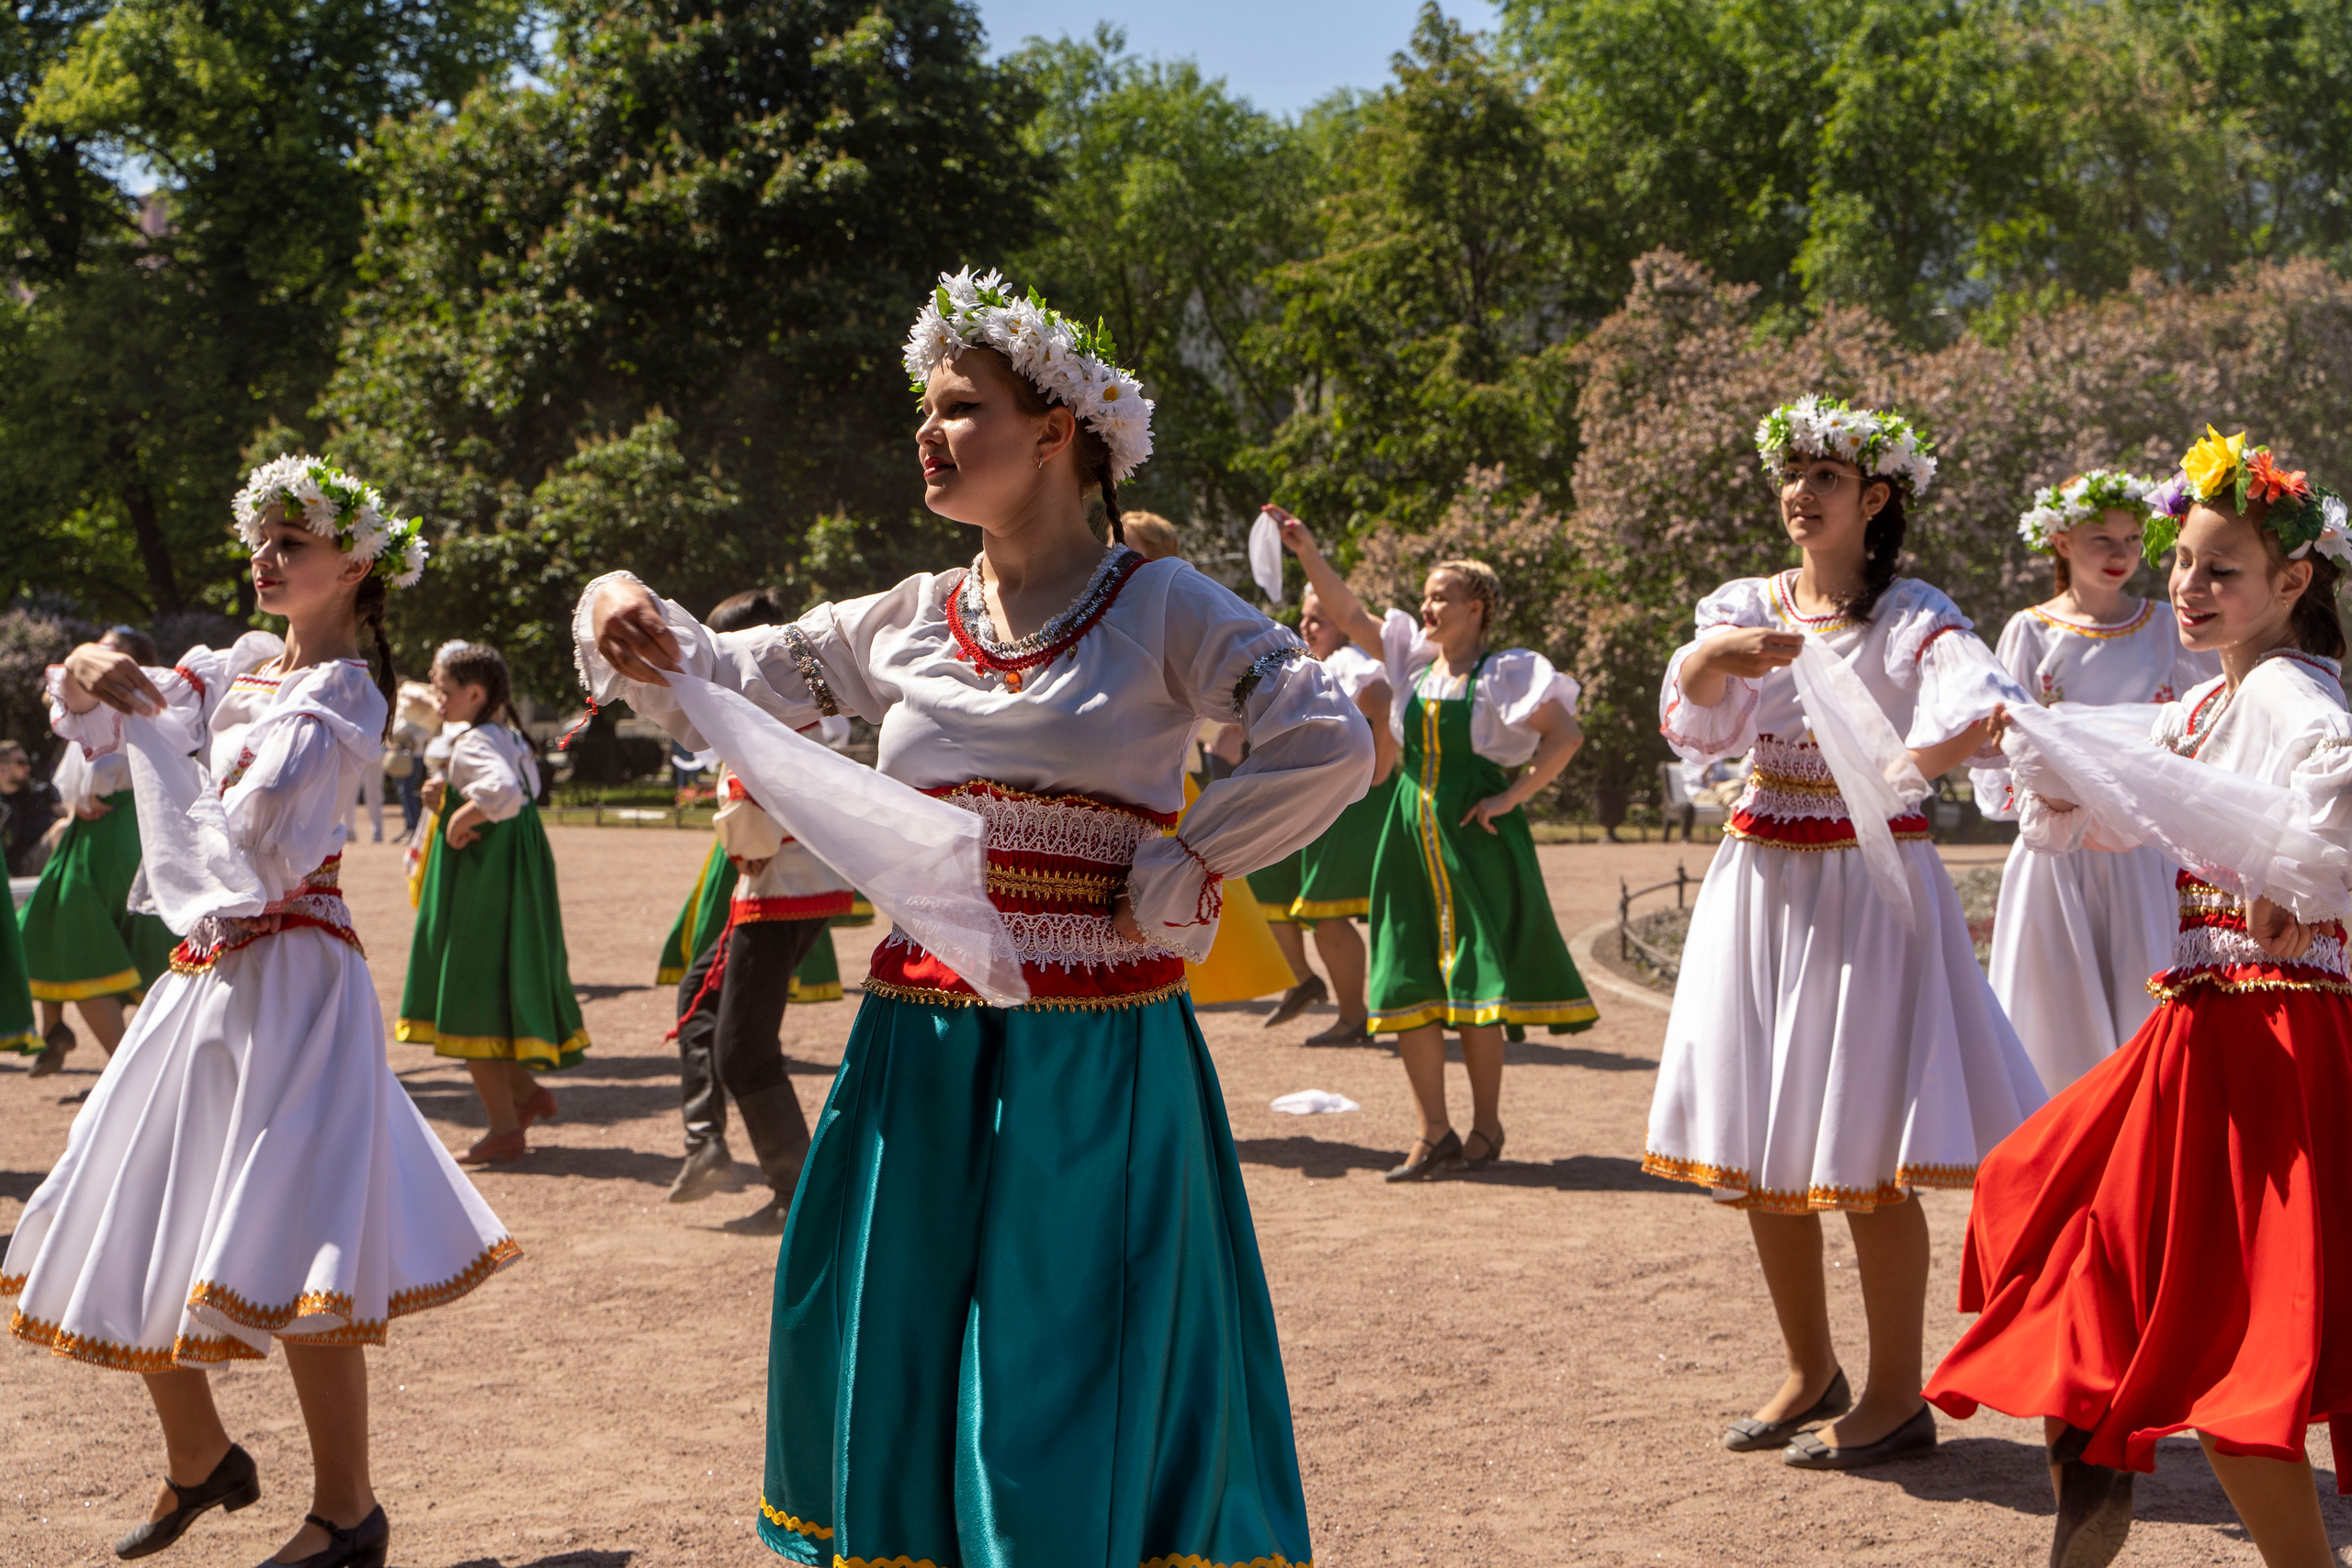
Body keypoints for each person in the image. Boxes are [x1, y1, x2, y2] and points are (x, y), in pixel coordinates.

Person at [577, 266, 1368, 1566]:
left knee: (1059, 1355)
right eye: (926, 412)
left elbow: (1328, 734)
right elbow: (709, 675)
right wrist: (619, 597)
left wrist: (1193, 859)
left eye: (961, 408)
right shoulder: (905, 618)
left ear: (1058, 429)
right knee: (906, 1319)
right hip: (918, 1042)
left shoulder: (1162, 605)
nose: (929, 435)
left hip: (1092, 1049)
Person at [5, 456, 513, 1568]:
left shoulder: (343, 694)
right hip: (205, 975)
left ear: (357, 563)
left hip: (291, 979)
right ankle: (201, 1460)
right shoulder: (229, 670)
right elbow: (93, 733)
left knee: (292, 1238)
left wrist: (146, 723)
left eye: (293, 542)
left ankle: (346, 1513)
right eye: (262, 540)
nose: (266, 559)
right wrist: (95, 670)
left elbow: (241, 839)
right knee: (119, 1193)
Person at [1926, 432, 2352, 1568]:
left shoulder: (2287, 691)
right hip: (2201, 1027)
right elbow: (2109, 797)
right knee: (2053, 1203)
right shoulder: (2198, 710)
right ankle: (2094, 1451)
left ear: (2291, 584)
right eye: (2182, 565)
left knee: (2247, 1346)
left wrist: (2302, 888)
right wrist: (2019, 729)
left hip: (2272, 1038)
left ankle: (2130, 1467)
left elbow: (2337, 776)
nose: (2188, 587)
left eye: (2221, 571)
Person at [1642, 395, 2045, 1471]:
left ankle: (1893, 1396)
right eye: (1793, 476)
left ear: (1872, 499)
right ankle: (1806, 1367)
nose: (1799, 493)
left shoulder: (1914, 614)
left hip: (1871, 892)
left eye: (1825, 478)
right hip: (1762, 879)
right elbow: (1693, 717)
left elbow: (1978, 708)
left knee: (1867, 1152)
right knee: (1761, 1138)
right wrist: (1716, 652)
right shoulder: (1742, 604)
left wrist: (1903, 766)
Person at [1273, 510, 1597, 1178]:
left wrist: (1511, 796)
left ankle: (1485, 1128)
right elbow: (1350, 609)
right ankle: (1433, 1132)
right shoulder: (1413, 662)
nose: (1426, 605)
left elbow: (1566, 736)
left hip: (1471, 839)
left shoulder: (1507, 673)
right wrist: (1306, 549)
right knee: (1407, 977)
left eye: (1442, 595)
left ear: (1477, 607)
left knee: (1473, 981)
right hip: (1408, 832)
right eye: (1426, 594)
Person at [1975, 472, 2220, 1093]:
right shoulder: (2029, 631)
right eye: (2101, 539)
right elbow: (2002, 750)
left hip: (2146, 853)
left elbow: (2207, 729)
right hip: (2059, 855)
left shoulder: (2171, 626)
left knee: (2152, 1013)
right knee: (2053, 1022)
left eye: (2134, 539)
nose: (2120, 555)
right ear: (2060, 541)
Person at [663, 585, 860, 1233]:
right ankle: (722, 1151)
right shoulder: (797, 707)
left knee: (742, 1047)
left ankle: (795, 1192)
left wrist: (742, 830)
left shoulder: (767, 714)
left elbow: (755, 809)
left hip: (778, 886)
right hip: (792, 883)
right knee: (709, 1003)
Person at [397, 639, 588, 1165]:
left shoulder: (475, 742)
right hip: (508, 874)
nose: (437, 698)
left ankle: (506, 1126)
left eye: (444, 689)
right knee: (490, 985)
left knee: (471, 994)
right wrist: (450, 799)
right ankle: (524, 1096)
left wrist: (458, 818)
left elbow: (501, 793)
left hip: (484, 880)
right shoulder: (501, 735)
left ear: (473, 693)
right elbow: (516, 791)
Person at [20, 626, 175, 1077]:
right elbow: (60, 716)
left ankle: (129, 1074)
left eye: (111, 652)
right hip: (89, 832)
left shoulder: (146, 705)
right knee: (50, 923)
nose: (98, 658)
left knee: (83, 939)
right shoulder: (90, 704)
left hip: (119, 829)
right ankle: (60, 1030)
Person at [1264, 565, 1398, 1044]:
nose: (1308, 626)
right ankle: (1314, 988)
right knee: (1273, 886)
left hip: (1353, 806)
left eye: (1319, 618)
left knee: (1324, 908)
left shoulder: (1350, 660)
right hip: (1323, 803)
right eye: (1305, 618)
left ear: (1343, 624)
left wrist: (1380, 767)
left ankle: (1353, 1016)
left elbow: (1382, 696)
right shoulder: (1321, 663)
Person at [0, 738, 62, 876]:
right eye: (21, 763)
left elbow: (63, 811)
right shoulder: (3, 805)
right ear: (2, 768)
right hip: (20, 866)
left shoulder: (39, 791)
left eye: (27, 762)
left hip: (49, 852)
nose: (27, 768)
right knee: (61, 829)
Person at [386, 680, 436, 842]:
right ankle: (409, 827)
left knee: (407, 791)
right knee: (402, 791)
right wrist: (390, 741)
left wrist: (414, 741)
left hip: (413, 755)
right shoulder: (402, 705)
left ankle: (414, 828)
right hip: (398, 754)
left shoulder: (420, 708)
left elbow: (429, 728)